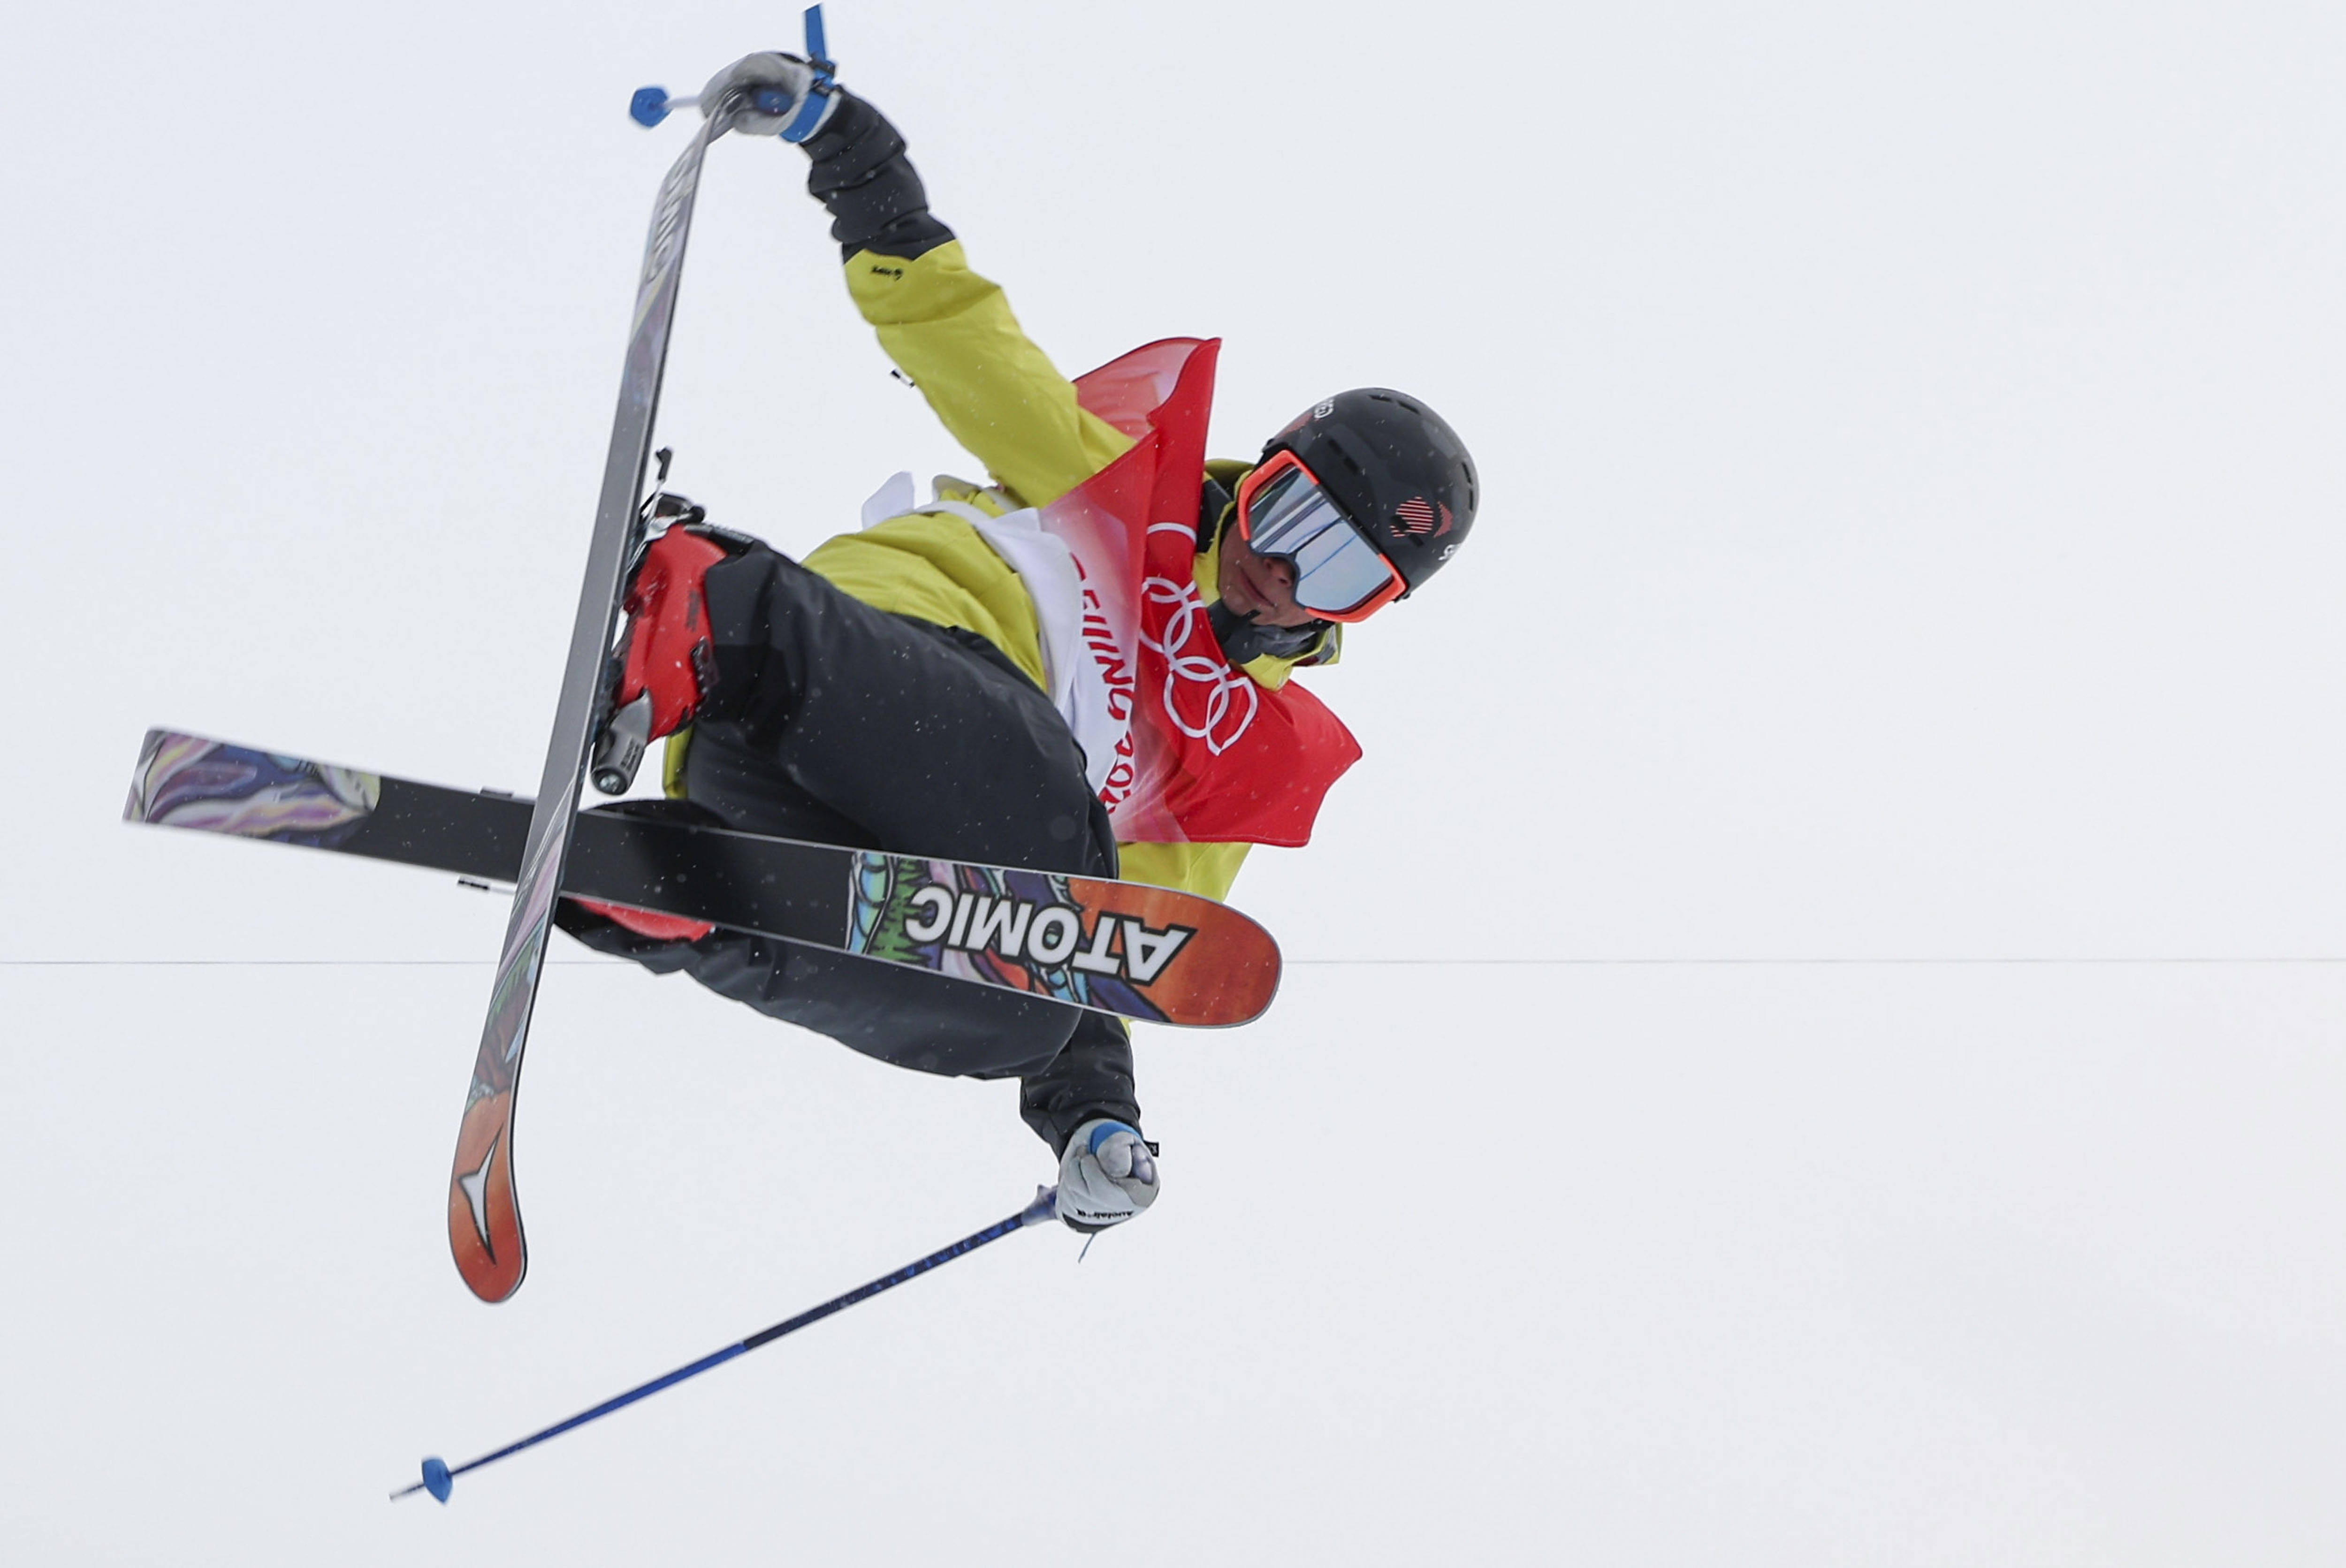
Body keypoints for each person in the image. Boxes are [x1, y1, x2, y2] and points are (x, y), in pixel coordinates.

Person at [554, 53, 1480, 1233]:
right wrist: (853, 154)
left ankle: (689, 898)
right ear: (1255, 475)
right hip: (869, 666)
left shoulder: (1237, 763)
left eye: (1338, 571)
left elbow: (1104, 941)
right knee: (1053, 813)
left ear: (1365, 612)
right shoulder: (1129, 491)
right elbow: (965, 340)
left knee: (1020, 1006)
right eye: (1284, 511)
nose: (1282, 567)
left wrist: (1094, 1110)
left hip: (779, 806)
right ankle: (719, 614)